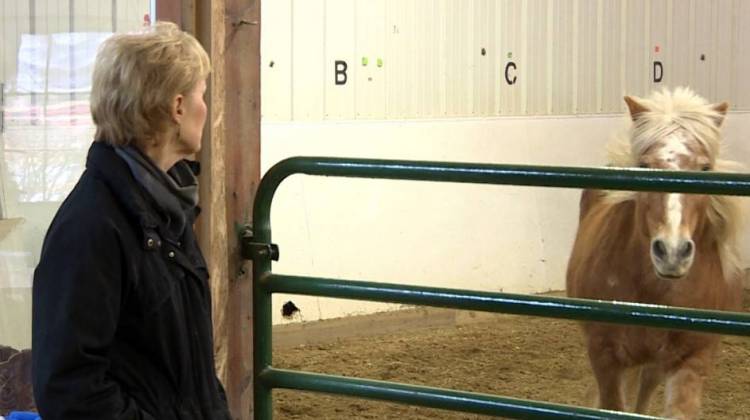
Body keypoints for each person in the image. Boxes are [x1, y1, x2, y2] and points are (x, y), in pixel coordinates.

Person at [32, 22, 231, 420]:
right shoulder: (91, 227)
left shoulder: (166, 208)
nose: (206, 109)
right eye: (202, 95)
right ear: (177, 107)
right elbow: (70, 388)